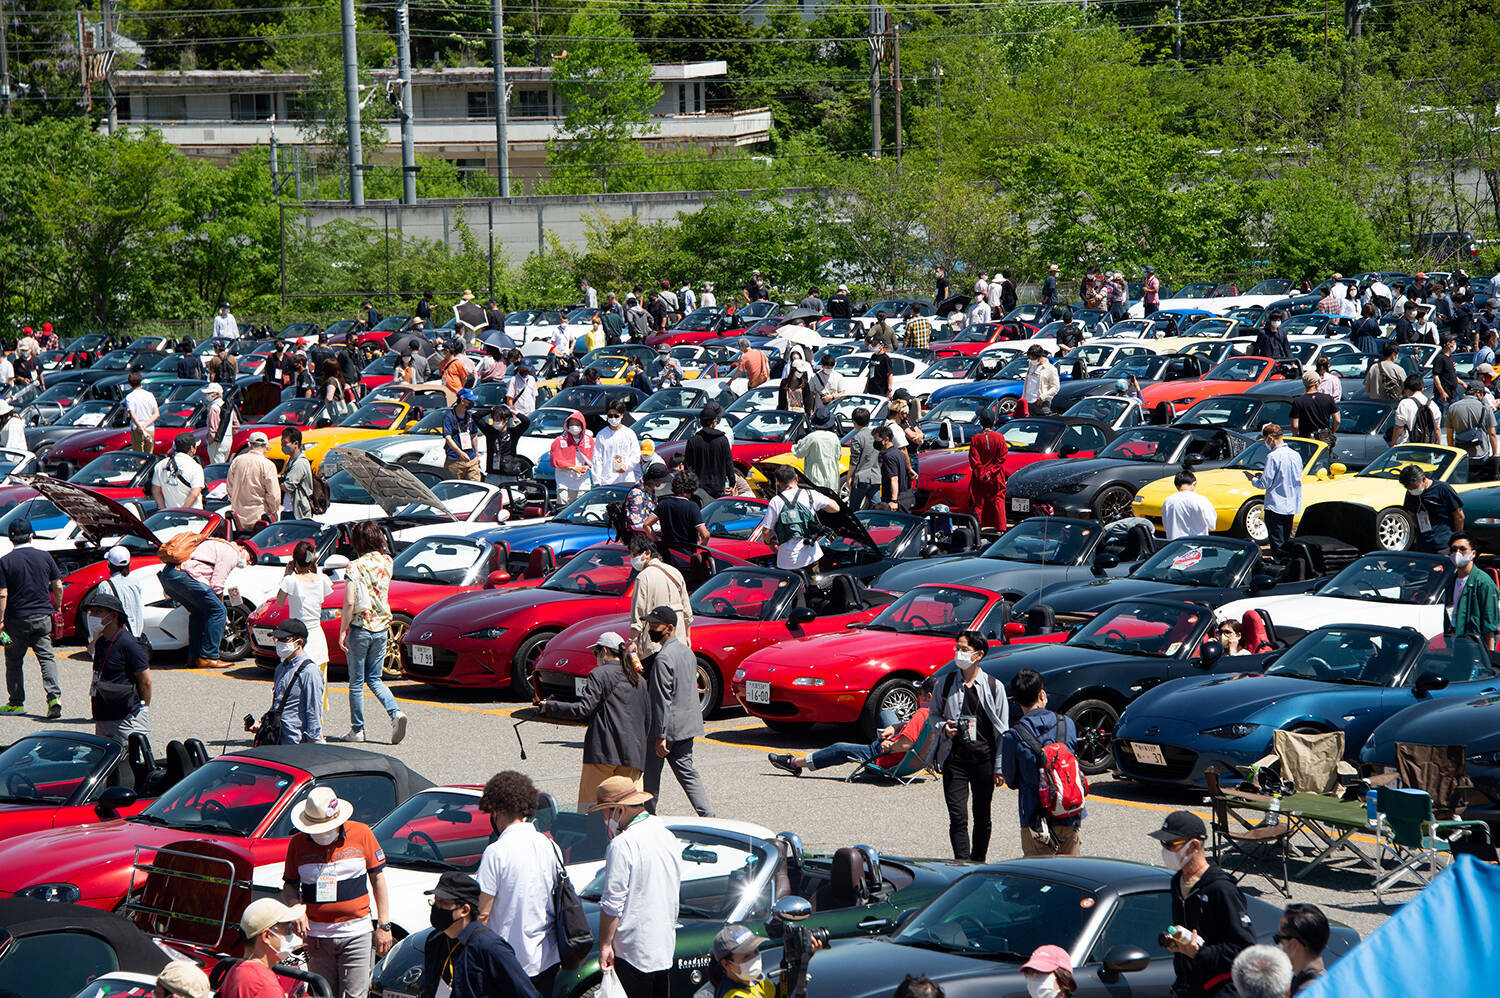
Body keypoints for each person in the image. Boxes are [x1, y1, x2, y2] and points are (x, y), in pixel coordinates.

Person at [283, 786, 394, 998]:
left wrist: (384, 925)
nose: (322, 834)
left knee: (355, 995)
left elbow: (378, 879)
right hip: (316, 937)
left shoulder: (361, 833)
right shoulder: (297, 843)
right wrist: (295, 908)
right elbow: (289, 886)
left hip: (356, 933)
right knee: (322, 993)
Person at [1148, 811, 1256, 998]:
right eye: (1163, 843)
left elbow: (1245, 950)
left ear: (1194, 845)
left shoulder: (1221, 889)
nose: (1165, 849)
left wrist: (1200, 953)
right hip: (1185, 987)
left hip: (1218, 990)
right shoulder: (1177, 882)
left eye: (1171, 844)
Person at [472, 772, 562, 995]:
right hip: (546, 958)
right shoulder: (550, 846)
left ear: (497, 810)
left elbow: (483, 914)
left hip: (506, 962)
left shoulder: (495, 852)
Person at [592, 776, 682, 998]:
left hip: (632, 950)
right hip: (664, 947)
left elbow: (613, 903)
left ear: (619, 810)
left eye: (605, 812)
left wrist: (605, 945)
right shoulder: (667, 835)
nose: (605, 819)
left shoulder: (622, 844)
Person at [538, 633, 650, 808]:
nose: (596, 657)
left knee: (591, 808)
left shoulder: (599, 674)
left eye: (595, 652)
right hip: (633, 754)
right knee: (629, 808)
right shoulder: (639, 680)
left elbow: (583, 709)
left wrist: (550, 706)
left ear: (604, 651)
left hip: (603, 752)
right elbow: (647, 719)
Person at [931, 630, 1007, 861]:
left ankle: (978, 862)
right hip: (955, 760)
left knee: (982, 816)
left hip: (984, 761)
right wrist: (943, 727)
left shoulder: (994, 687)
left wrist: (999, 767)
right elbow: (933, 715)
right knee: (957, 817)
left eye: (964, 649)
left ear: (978, 655)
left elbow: (1003, 732)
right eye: (957, 648)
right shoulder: (945, 684)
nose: (959, 653)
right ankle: (962, 863)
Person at [336, 522, 407, 743]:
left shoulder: (354, 566)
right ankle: (395, 713)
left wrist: (343, 630)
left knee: (356, 683)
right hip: (382, 627)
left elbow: (350, 602)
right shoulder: (387, 561)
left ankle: (357, 730)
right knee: (375, 679)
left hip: (361, 627)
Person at [1001, 668, 1083, 856]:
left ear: (1017, 701)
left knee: (1039, 871)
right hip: (1070, 811)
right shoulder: (1067, 724)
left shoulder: (1013, 737)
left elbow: (1011, 781)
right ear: (1042, 694)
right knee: (1071, 871)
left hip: (1035, 818)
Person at [641, 605, 713, 817]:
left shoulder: (663, 658)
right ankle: (707, 815)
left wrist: (660, 735)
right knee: (688, 773)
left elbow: (661, 699)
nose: (651, 629)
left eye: (655, 626)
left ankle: (647, 816)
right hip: (686, 726)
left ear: (670, 628)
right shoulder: (687, 652)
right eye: (650, 625)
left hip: (666, 729)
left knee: (651, 776)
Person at [423, 872, 541, 998]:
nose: (436, 907)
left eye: (443, 903)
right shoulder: (434, 941)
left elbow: (527, 994)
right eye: (436, 901)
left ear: (464, 910)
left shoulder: (491, 947)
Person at [769, 684, 930, 776]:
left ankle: (794, 763)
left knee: (839, 748)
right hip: (914, 759)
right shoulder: (938, 714)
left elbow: (905, 745)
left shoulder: (922, 713)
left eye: (920, 694)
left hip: (886, 756)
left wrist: (889, 745)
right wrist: (896, 727)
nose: (918, 697)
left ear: (929, 696)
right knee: (887, 714)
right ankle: (881, 740)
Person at [0, 519, 63, 717]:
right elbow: (58, 585)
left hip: (15, 621)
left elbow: (3, 594)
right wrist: (57, 606)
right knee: (46, 658)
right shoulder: (45, 556)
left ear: (11, 538)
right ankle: (54, 697)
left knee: (13, 660)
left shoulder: (5, 561)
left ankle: (16, 703)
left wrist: (0, 620)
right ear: (31, 535)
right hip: (42, 618)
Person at [159, 535, 238, 669]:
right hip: (183, 575)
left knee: (198, 613)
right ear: (242, 548)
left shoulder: (213, 543)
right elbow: (217, 585)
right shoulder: (231, 553)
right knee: (219, 611)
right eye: (251, 558)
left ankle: (194, 658)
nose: (249, 562)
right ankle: (209, 657)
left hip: (169, 574)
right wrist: (221, 607)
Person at [87, 590, 151, 755]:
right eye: (92, 611)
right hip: (103, 713)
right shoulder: (101, 642)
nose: (93, 616)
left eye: (98, 611)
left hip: (124, 716)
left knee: (128, 759)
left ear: (113, 615)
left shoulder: (128, 644)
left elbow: (145, 680)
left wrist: (143, 708)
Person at [749, 465, 840, 573]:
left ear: (779, 483)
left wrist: (770, 543)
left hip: (787, 559)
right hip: (810, 555)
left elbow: (766, 531)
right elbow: (836, 508)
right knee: (813, 583)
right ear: (796, 477)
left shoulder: (776, 501)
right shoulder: (810, 494)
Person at [248, 618, 324, 744]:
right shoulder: (281, 668)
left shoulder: (310, 672)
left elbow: (313, 709)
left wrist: (314, 741)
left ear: (299, 642)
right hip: (277, 737)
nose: (279, 643)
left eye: (284, 639)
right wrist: (261, 724)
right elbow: (277, 704)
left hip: (295, 741)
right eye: (277, 639)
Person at [271, 540, 334, 684]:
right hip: (317, 636)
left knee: (294, 683)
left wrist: (286, 575)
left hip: (297, 637)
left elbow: (280, 601)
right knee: (318, 684)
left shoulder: (291, 580)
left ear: (294, 561)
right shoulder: (322, 579)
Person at [219, 898, 306, 998]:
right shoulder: (265, 987)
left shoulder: (235, 970)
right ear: (267, 936)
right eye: (289, 930)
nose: (293, 935)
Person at [1247, 423, 1301, 567]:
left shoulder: (1273, 456)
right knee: (1286, 540)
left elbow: (1264, 484)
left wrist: (1252, 479)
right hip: (1291, 504)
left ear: (1270, 438)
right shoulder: (1295, 455)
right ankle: (1287, 565)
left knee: (1277, 542)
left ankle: (1279, 566)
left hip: (1276, 504)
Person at [1400, 464, 1464, 554]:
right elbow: (1412, 515)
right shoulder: (1410, 494)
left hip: (1444, 544)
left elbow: (1459, 516)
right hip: (1423, 544)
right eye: (1409, 489)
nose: (1412, 490)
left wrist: (1457, 539)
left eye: (1414, 488)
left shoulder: (1442, 489)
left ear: (1424, 479)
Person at [227, 432, 282, 535]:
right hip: (260, 517)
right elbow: (273, 494)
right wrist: (272, 511)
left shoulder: (237, 461)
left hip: (238, 517)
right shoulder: (268, 465)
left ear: (250, 444)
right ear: (266, 446)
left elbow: (230, 488)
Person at [967, 410, 1009, 530]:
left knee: (979, 502)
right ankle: (1000, 528)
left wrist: (983, 473)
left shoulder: (975, 439)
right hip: (996, 476)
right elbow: (1002, 458)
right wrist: (991, 472)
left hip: (980, 477)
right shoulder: (1000, 438)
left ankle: (978, 529)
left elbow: (974, 460)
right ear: (994, 421)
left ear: (980, 422)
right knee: (998, 500)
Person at [1277, 903, 1328, 996]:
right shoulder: (1326, 982)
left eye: (1278, 937)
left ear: (1294, 944)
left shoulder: (1307, 993)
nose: (1278, 943)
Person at [684, 403, 733, 499]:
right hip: (718, 486)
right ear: (714, 422)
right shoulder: (722, 440)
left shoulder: (693, 441)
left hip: (698, 487)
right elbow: (729, 463)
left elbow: (688, 466)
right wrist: (732, 482)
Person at [651, 472, 710, 549]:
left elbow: (646, 524)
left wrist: (657, 542)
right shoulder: (692, 506)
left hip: (666, 552)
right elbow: (705, 534)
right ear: (693, 487)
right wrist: (703, 546)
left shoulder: (664, 503)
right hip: (686, 553)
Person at [1445, 380, 1499, 465]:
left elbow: (1449, 435)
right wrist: (1495, 455)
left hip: (1461, 456)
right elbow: (1492, 434)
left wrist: (1452, 454)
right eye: (1483, 394)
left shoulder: (1452, 407)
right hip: (1481, 454)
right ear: (1477, 393)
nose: (1483, 397)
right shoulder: (1485, 408)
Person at [100, 545, 144, 643]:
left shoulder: (105, 586)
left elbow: (101, 614)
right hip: (136, 636)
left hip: (116, 638)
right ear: (129, 564)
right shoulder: (135, 582)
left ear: (109, 565)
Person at [592, 401, 642, 486]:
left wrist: (626, 465)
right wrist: (597, 481)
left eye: (616, 416)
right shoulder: (601, 435)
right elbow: (597, 458)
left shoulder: (629, 433)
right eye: (610, 416)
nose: (613, 418)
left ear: (622, 415)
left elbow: (636, 455)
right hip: (607, 480)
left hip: (626, 479)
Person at [550, 410, 595, 504]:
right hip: (564, 482)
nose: (574, 427)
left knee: (580, 507)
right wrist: (574, 467)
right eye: (572, 424)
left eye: (577, 424)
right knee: (562, 507)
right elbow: (555, 460)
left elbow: (593, 458)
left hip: (582, 483)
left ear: (582, 426)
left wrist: (586, 467)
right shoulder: (560, 440)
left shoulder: (588, 440)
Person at [793, 407, 842, 492]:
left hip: (815, 478)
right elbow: (838, 456)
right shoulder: (834, 437)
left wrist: (799, 442)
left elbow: (798, 453)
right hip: (832, 478)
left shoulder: (811, 437)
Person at [1162, 470, 1219, 539]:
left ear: (1176, 486)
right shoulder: (1201, 500)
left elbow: (1166, 525)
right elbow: (1212, 524)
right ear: (1194, 483)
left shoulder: (1168, 501)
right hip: (1197, 543)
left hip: (1175, 543)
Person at [442, 389, 483, 482]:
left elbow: (474, 435)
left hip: (471, 459)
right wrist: (460, 452)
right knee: (455, 487)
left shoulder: (470, 416)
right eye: (470, 400)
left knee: (476, 485)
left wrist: (476, 455)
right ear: (462, 400)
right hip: (455, 461)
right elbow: (448, 438)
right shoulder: (449, 417)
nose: (472, 403)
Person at [1288, 371, 1339, 444]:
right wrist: (1331, 433)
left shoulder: (1298, 401)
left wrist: (1295, 436)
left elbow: (1295, 426)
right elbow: (1337, 420)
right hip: (1324, 438)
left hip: (1306, 439)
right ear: (1317, 383)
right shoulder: (1328, 398)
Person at [1391, 372, 1442, 445]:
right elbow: (1437, 429)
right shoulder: (1433, 405)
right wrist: (1438, 447)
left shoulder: (1404, 403)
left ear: (1407, 389)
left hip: (1409, 445)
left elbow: (1398, 427)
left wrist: (1393, 444)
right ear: (1422, 389)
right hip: (1428, 446)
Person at [847, 407, 881, 512]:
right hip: (875, 476)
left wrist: (849, 477)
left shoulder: (857, 437)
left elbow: (854, 461)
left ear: (854, 422)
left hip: (861, 478)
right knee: (877, 507)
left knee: (854, 509)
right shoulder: (876, 435)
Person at [280, 427, 316, 521]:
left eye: (285, 443)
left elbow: (289, 486)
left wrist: (277, 483)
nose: (283, 446)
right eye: (282, 443)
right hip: (288, 509)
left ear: (296, 443)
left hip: (297, 512)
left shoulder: (300, 463)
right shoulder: (291, 461)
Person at [874, 426, 912, 511]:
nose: (875, 442)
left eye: (877, 439)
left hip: (893, 500)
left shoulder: (888, 456)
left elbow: (894, 478)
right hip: (903, 496)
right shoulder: (898, 453)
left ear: (886, 439)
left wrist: (893, 500)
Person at [627, 463, 671, 536]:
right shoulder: (637, 493)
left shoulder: (650, 491)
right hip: (642, 538)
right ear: (656, 481)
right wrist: (660, 528)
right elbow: (636, 524)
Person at [123, 371, 159, 454]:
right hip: (150, 428)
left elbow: (133, 415)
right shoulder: (149, 395)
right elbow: (156, 414)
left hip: (137, 429)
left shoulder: (130, 397)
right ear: (141, 382)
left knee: (138, 455)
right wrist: (145, 425)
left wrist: (141, 427)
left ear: (130, 384)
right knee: (149, 455)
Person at [1022, 345, 1059, 415]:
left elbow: (1055, 387)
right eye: (1030, 358)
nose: (1032, 360)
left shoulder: (1050, 369)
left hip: (1041, 403)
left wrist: (1042, 397)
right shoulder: (1031, 365)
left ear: (1040, 356)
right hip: (1028, 402)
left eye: (1033, 358)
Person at [1432, 335, 1461, 410]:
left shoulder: (1449, 358)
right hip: (1445, 396)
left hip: (1453, 394)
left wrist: (1463, 383)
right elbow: (1435, 376)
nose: (1455, 344)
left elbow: (1452, 375)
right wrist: (1442, 392)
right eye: (1453, 342)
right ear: (1448, 344)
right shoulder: (1440, 358)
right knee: (1445, 415)